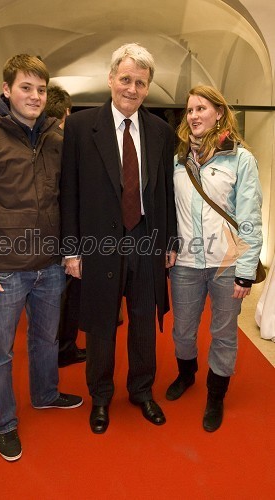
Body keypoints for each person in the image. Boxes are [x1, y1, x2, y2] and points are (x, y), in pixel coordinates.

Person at [0, 54, 83, 462]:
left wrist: (68, 250)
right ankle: (5, 424)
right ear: (7, 90)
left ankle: (44, 394)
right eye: (26, 88)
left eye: (41, 89)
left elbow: (68, 200)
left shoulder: (56, 141)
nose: (35, 96)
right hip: (3, 271)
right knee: (0, 352)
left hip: (49, 267)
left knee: (45, 340)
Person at [60, 43, 177, 434]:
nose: (132, 88)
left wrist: (169, 242)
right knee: (100, 324)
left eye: (140, 82)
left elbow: (165, 193)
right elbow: (70, 192)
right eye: (125, 79)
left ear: (148, 88)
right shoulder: (80, 127)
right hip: (98, 245)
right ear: (110, 79)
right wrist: (71, 248)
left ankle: (142, 392)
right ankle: (100, 397)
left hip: (146, 240)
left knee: (144, 319)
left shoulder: (160, 131)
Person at [166, 85, 263, 432]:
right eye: (189, 110)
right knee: (183, 330)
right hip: (186, 264)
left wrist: (245, 272)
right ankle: (186, 374)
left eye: (201, 108)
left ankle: (215, 394)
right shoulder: (177, 159)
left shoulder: (241, 159)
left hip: (227, 264)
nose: (193, 116)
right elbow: (168, 211)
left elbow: (250, 217)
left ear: (219, 113)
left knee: (223, 333)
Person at [45, 85, 86, 367]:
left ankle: (53, 346)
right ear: (67, 112)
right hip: (68, 233)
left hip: (43, 233)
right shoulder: (64, 143)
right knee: (67, 296)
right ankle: (64, 348)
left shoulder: (37, 141)